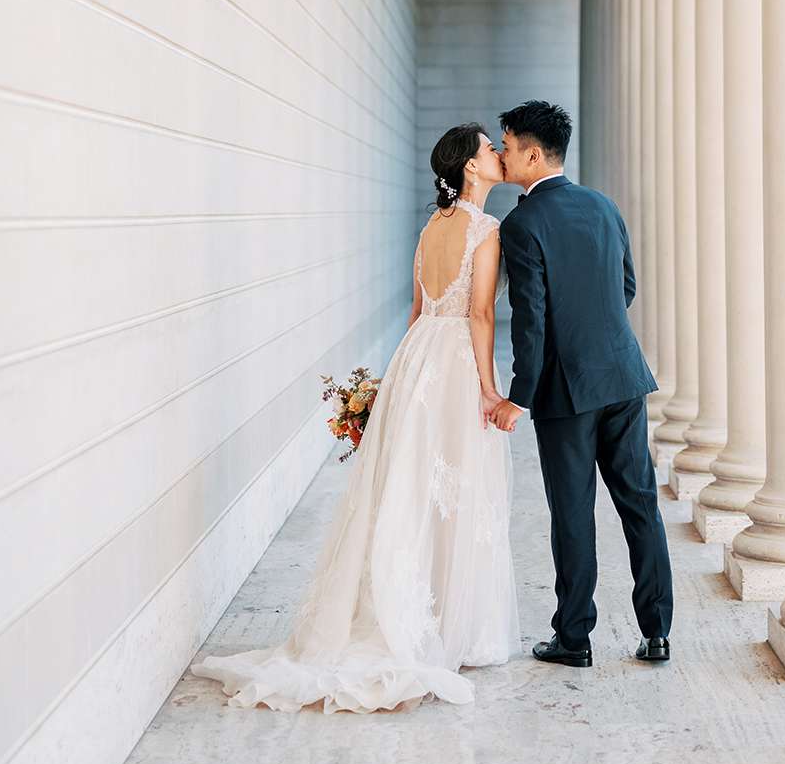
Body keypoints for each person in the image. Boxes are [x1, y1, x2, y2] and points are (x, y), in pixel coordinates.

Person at [191, 125, 519, 713]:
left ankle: (417, 609)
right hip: (454, 365)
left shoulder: (430, 229)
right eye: (488, 148)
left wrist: (396, 384)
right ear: (471, 167)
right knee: (455, 484)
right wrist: (489, 390)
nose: (498, 152)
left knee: (412, 484)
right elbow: (480, 314)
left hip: (417, 357)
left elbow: (417, 310)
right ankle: (450, 622)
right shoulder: (486, 230)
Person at [492, 100, 673, 667]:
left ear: (532, 155)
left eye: (506, 145)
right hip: (622, 376)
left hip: (565, 393)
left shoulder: (521, 224)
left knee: (573, 514)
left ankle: (574, 639)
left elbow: (531, 320)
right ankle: (657, 633)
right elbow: (626, 286)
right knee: (640, 505)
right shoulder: (603, 205)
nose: (500, 154)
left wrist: (519, 395)